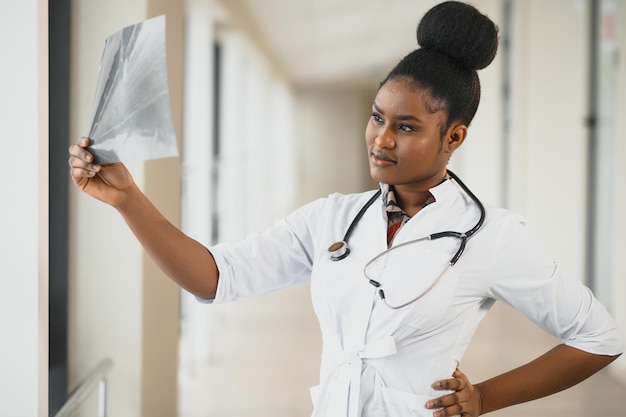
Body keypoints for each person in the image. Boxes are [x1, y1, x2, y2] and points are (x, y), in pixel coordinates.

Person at [69, 2, 624, 416]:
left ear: (453, 136)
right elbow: (216, 278)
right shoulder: (332, 219)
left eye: (406, 127)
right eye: (378, 116)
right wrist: (129, 200)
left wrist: (483, 398)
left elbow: (599, 338)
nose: (382, 139)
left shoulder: (490, 235)